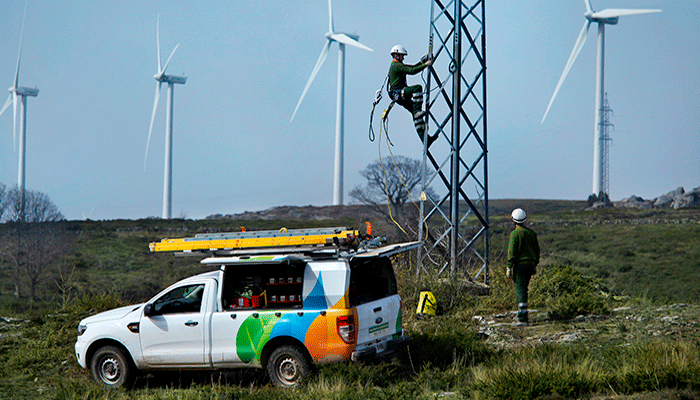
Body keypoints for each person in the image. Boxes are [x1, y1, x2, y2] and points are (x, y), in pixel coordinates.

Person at [387, 45, 438, 147]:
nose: (403, 58)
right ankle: (418, 111)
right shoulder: (396, 66)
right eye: (402, 56)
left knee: (415, 115)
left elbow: (411, 67)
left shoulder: (397, 66)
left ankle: (425, 139)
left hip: (398, 96)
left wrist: (422, 62)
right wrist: (426, 65)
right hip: (400, 93)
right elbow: (412, 71)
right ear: (396, 55)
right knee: (417, 88)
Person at [506, 208, 540, 326]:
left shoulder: (515, 234)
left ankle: (522, 318)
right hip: (531, 265)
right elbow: (537, 251)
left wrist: (509, 267)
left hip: (520, 266)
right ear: (525, 220)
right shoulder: (532, 234)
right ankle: (523, 314)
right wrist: (535, 263)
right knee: (524, 289)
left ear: (513, 220)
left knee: (520, 289)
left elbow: (512, 252)